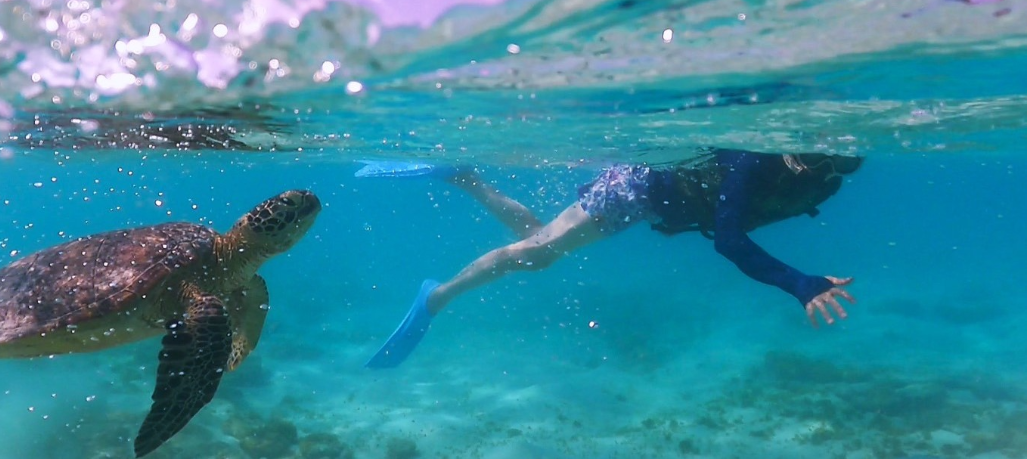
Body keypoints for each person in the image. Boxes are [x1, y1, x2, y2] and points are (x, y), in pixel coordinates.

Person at [357, 149, 862, 368]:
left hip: (662, 202)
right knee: (538, 251)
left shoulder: (822, 178)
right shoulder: (754, 160)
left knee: (539, 242)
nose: (815, 168)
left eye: (840, 162)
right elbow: (728, 240)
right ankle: (436, 297)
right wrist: (798, 283)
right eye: (813, 154)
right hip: (639, 189)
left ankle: (462, 176)